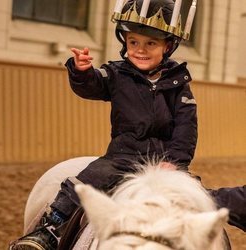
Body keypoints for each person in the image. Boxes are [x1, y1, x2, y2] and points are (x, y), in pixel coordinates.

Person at [10, 0, 198, 249]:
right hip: (122, 157)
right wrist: (82, 72)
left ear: (168, 46)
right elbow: (93, 86)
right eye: (134, 42)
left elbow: (186, 128)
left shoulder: (179, 84)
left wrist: (175, 161)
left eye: (150, 43)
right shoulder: (117, 74)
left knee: (199, 198)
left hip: (166, 162)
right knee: (81, 185)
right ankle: (49, 231)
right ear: (125, 43)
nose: (140, 50)